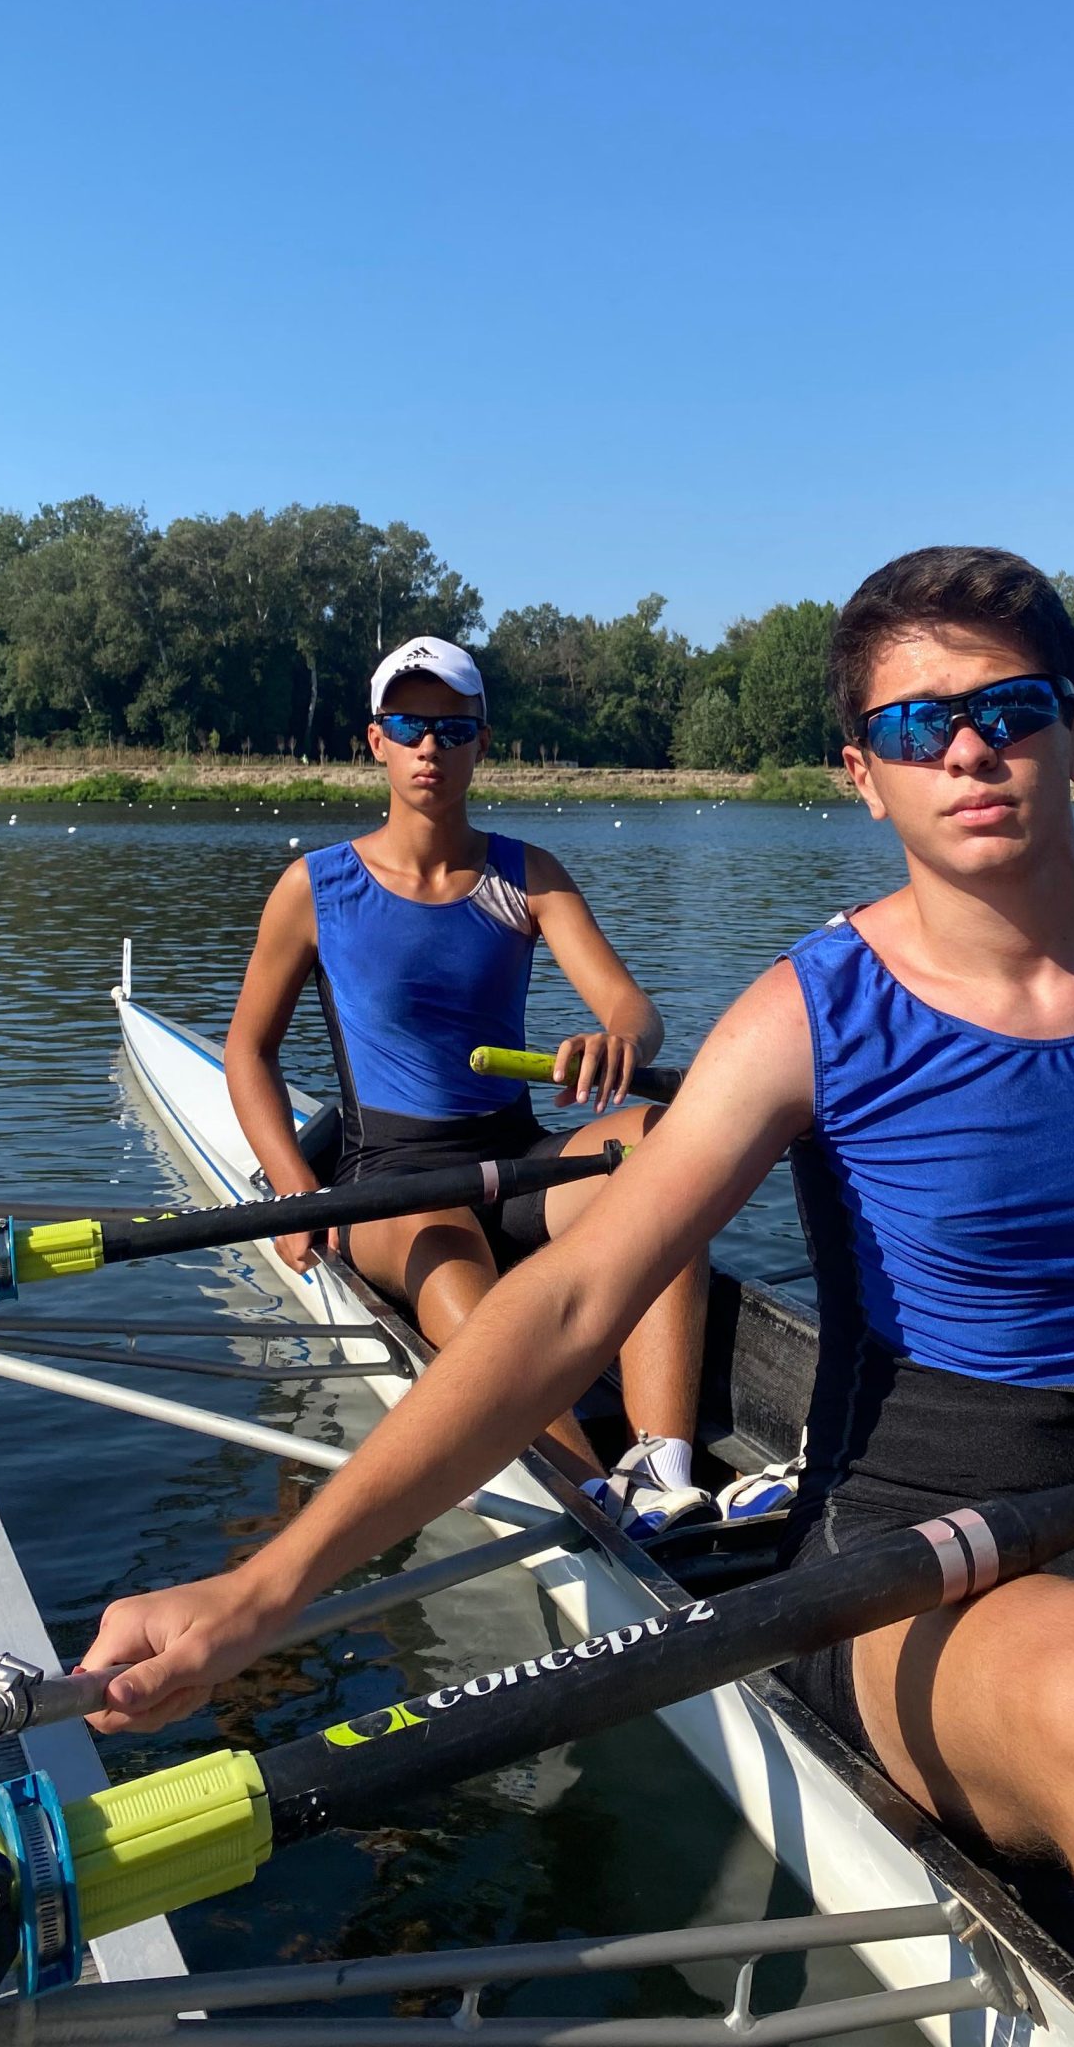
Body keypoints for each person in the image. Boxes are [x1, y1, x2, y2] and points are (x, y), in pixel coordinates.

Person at [85, 553, 1074, 2047]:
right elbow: (568, 1309)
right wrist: (268, 1586)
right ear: (863, 779)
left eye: (1011, 708)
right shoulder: (809, 1011)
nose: (968, 748)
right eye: (915, 725)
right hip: (910, 1575)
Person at [224, 631, 710, 1535]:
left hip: (515, 1157)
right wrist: (295, 1191)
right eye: (409, 726)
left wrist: (617, 1041)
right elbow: (248, 1052)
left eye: (452, 730)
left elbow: (633, 1009)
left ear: (482, 743)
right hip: (390, 1179)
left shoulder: (525, 875)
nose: (429, 747)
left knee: (670, 1150)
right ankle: (583, 1496)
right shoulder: (315, 887)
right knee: (447, 1246)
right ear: (375, 741)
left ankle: (661, 1469)